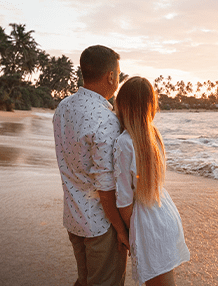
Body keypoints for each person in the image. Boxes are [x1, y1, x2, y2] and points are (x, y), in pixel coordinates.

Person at [53, 45, 128, 286]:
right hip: (100, 224)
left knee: (84, 281)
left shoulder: (63, 108)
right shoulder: (106, 119)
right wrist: (121, 230)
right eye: (118, 72)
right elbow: (104, 186)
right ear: (110, 76)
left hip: (74, 217)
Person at [113, 77, 190, 285]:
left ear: (122, 104)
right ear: (151, 106)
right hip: (165, 214)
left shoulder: (124, 142)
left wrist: (129, 231)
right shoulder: (154, 136)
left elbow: (124, 200)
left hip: (147, 223)